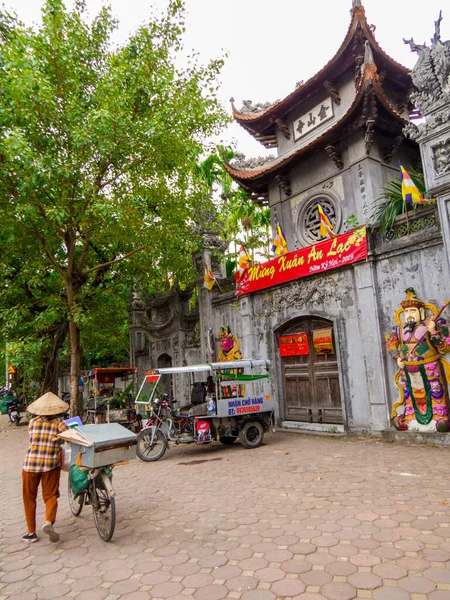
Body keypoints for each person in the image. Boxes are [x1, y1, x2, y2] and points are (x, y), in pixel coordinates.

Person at [385, 288, 450, 432]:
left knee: (435, 392)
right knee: (410, 395)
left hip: (429, 367)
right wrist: (397, 357)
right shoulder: (399, 330)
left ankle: (439, 417)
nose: (409, 315)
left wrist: (433, 331)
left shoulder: (431, 324)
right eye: (406, 312)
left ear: (421, 312)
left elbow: (444, 347)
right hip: (407, 369)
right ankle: (410, 418)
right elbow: (391, 344)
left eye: (412, 311)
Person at [22, 392, 69, 543]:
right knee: (50, 496)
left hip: (30, 465)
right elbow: (69, 437)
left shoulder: (32, 423)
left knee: (29, 498)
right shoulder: (59, 423)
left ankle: (31, 533)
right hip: (50, 465)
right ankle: (48, 522)